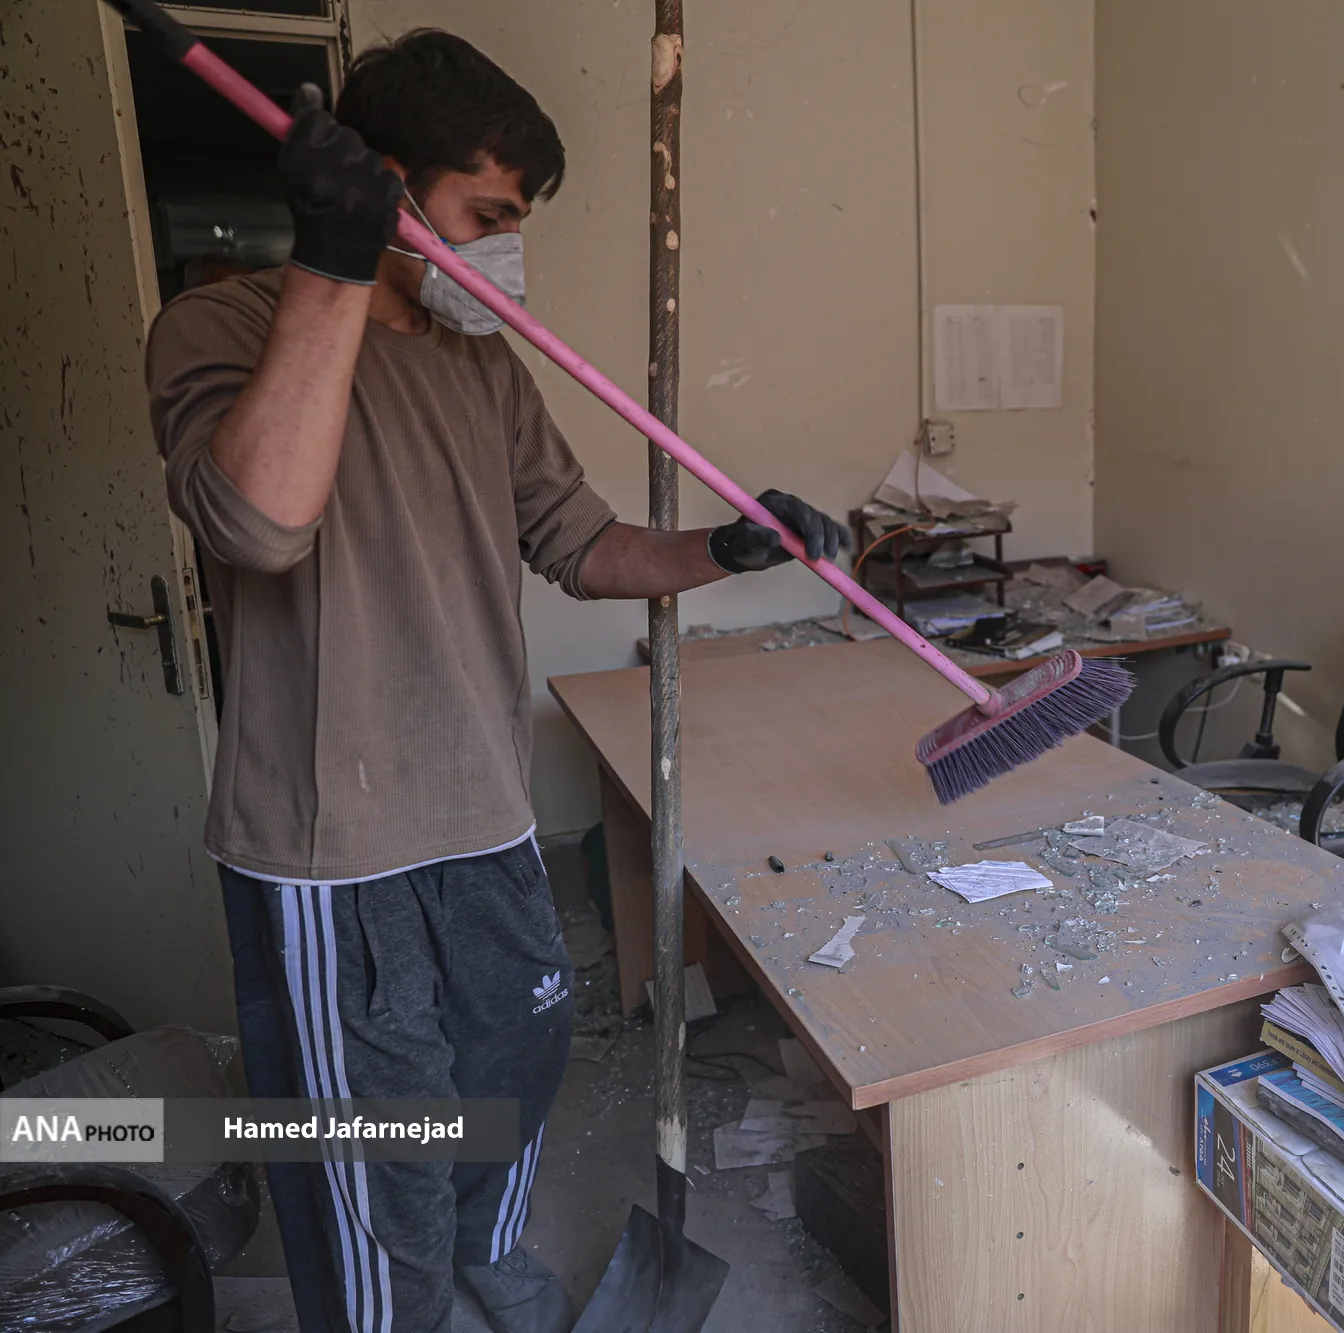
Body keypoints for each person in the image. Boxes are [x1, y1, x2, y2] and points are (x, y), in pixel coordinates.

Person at [145, 30, 847, 1333]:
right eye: (488, 216)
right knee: (375, 1145)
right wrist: (334, 263)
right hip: (331, 844)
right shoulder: (222, 327)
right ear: (388, 187)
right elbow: (258, 525)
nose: (506, 249)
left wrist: (726, 547)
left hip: (483, 809)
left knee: (518, 1055)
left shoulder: (483, 366)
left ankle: (487, 1238)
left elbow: (581, 544)